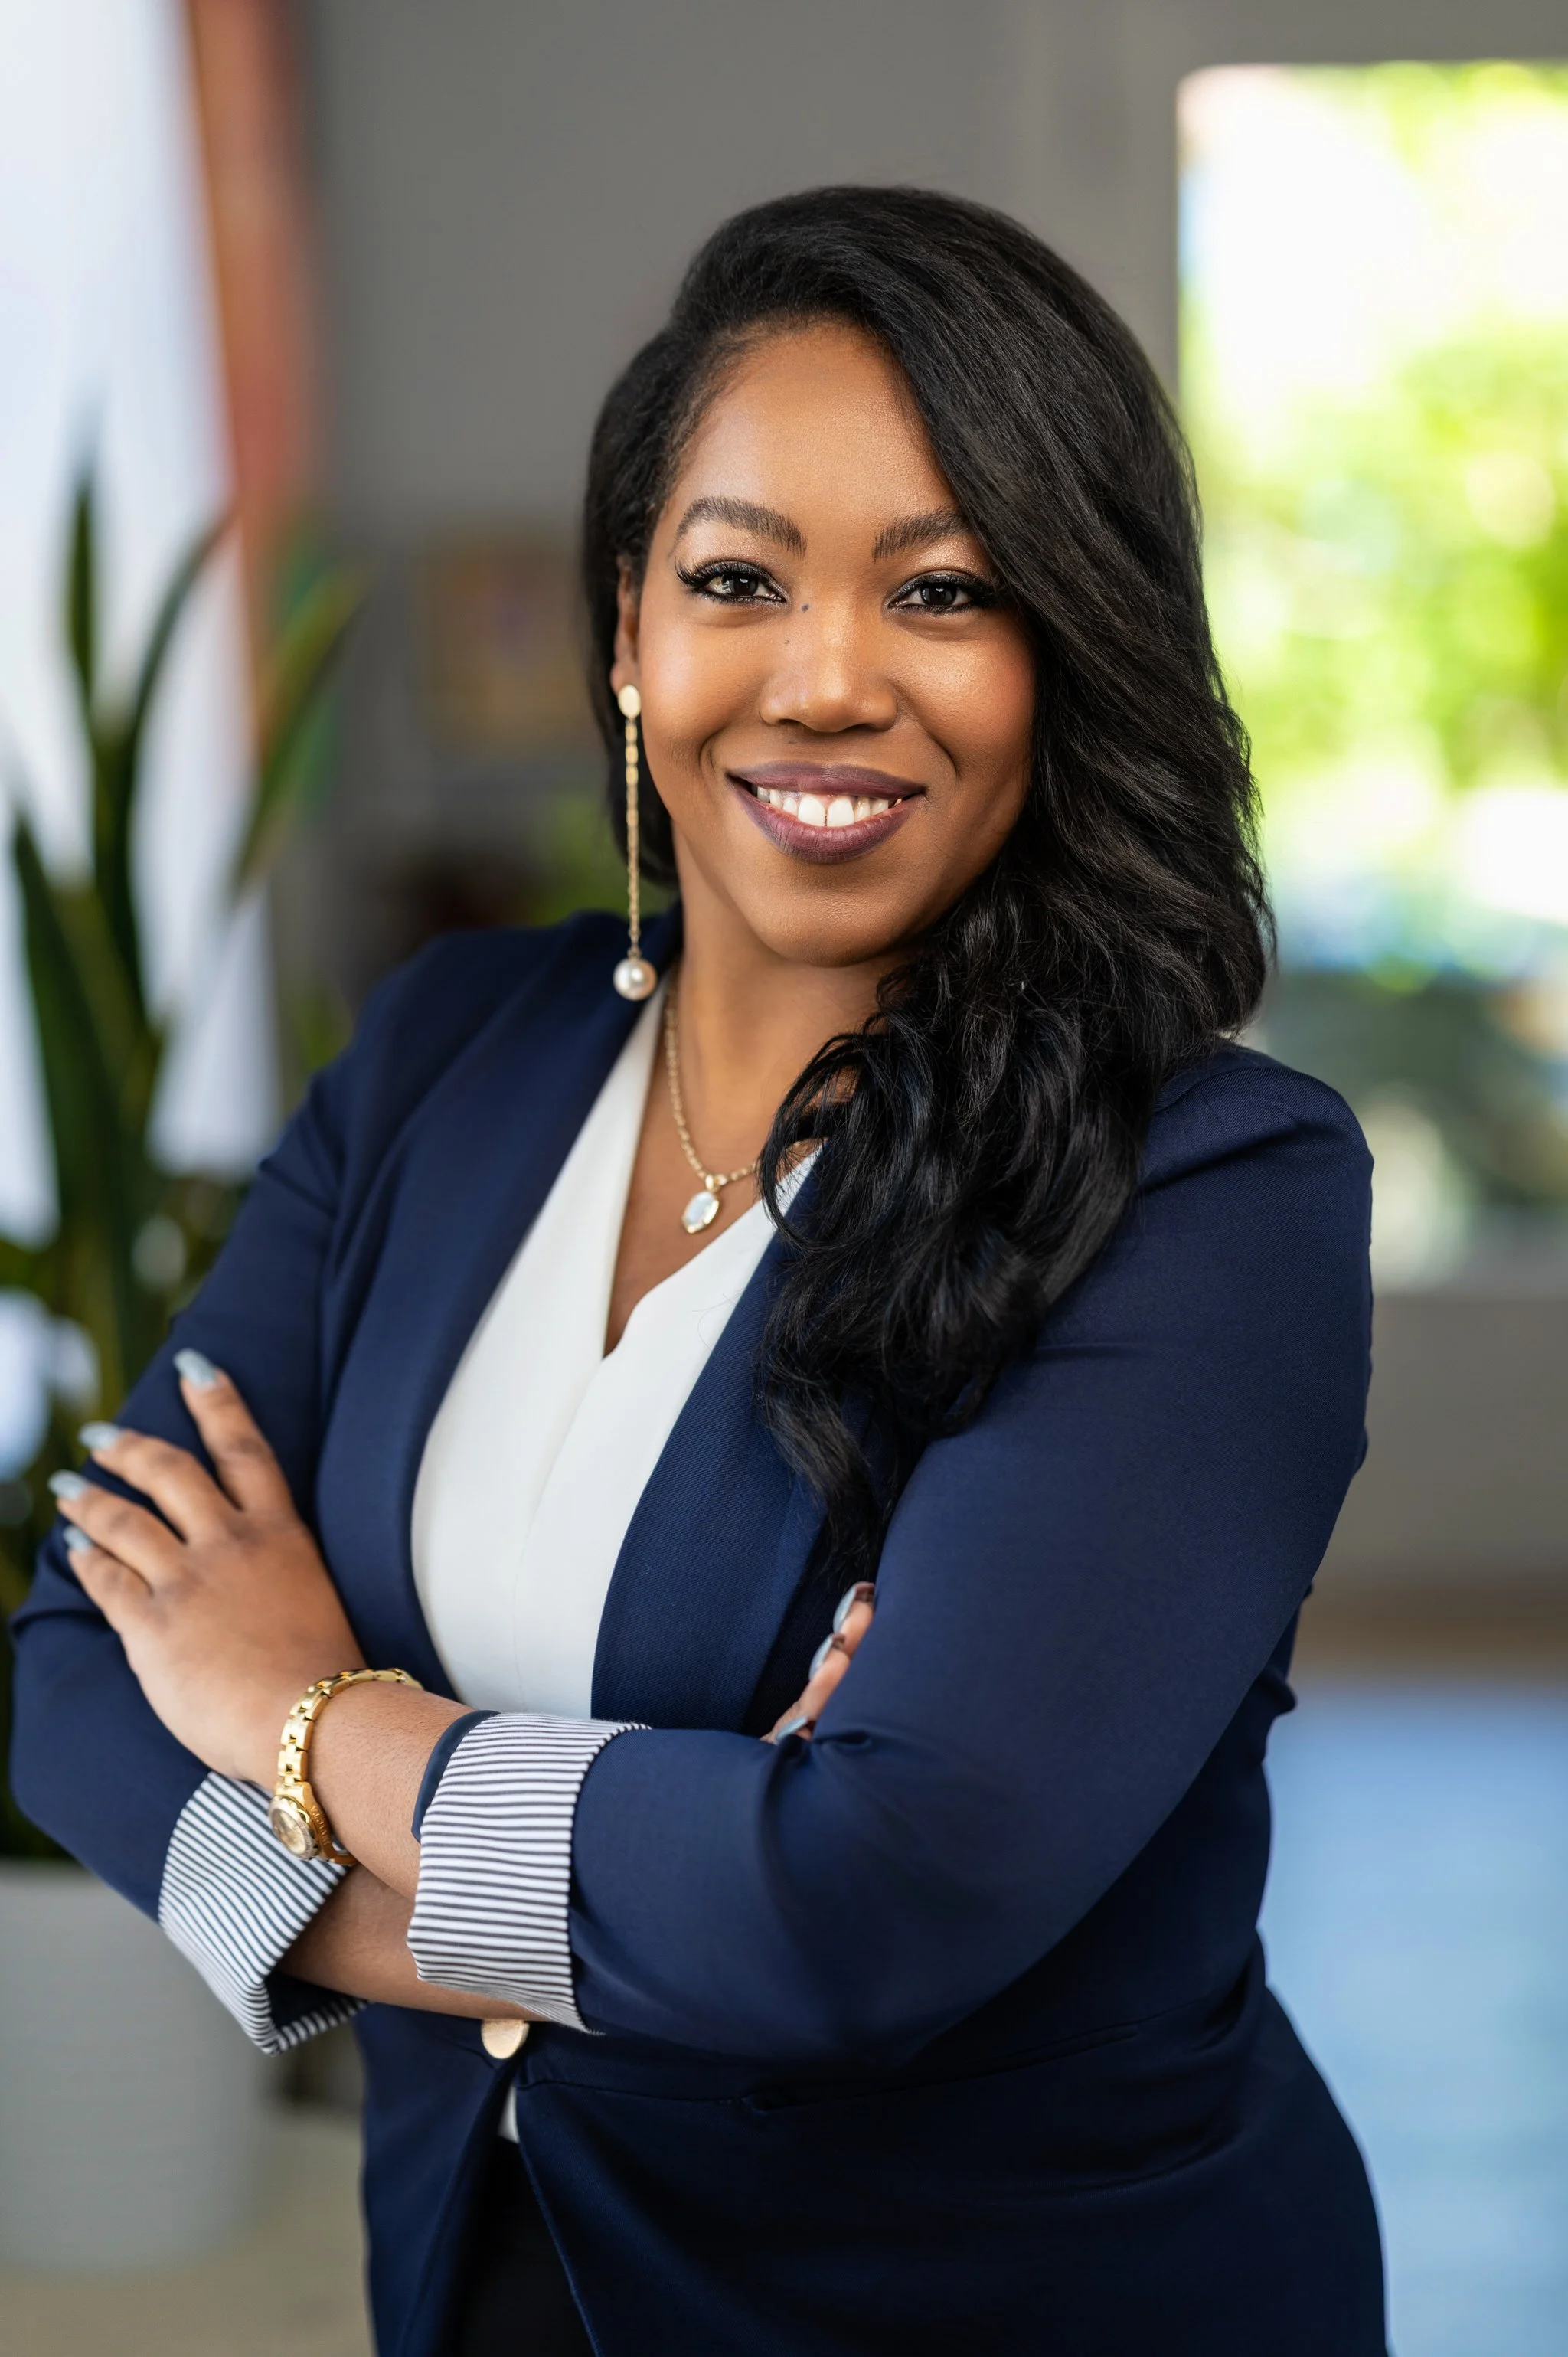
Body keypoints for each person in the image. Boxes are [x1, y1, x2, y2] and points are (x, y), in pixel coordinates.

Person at [11, 186, 1386, 2355]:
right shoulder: (455, 1047)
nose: (829, 677)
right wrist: (587, 1904)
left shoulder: (1209, 1191)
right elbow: (78, 1658)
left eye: (945, 589)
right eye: (738, 575)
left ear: (1067, 657)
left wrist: (303, 1708)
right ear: (632, 631)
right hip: (482, 2284)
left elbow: (860, 1905)